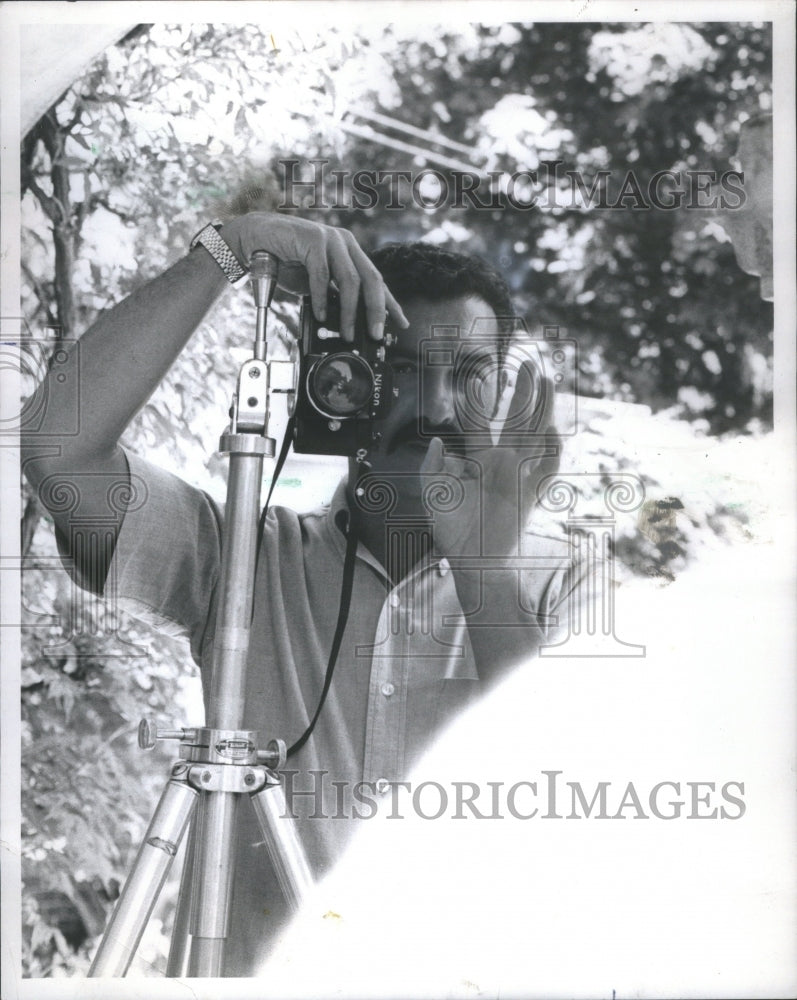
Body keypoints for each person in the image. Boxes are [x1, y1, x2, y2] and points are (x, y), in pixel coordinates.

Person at [23, 211, 592, 976]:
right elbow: (56, 452)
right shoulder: (243, 558)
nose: (432, 408)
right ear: (338, 380)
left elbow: (574, 799)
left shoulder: (565, 580)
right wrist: (229, 250)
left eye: (466, 375)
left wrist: (482, 566)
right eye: (399, 370)